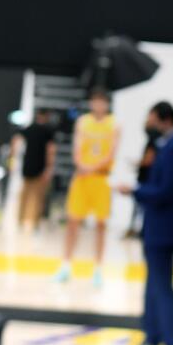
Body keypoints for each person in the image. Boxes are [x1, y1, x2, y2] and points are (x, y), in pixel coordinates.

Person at [117, 102, 173, 345]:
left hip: (164, 228)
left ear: (164, 120)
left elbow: (165, 191)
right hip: (155, 226)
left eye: (151, 120)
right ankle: (151, 344)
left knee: (162, 290)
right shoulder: (168, 145)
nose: (148, 125)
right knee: (152, 289)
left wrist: (135, 191)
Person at [55, 89, 119, 287]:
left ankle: (98, 268)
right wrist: (82, 165)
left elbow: (111, 153)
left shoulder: (114, 124)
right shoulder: (83, 122)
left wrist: (93, 167)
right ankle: (66, 264)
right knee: (73, 222)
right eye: (95, 101)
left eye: (102, 102)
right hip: (82, 178)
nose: (98, 106)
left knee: (101, 225)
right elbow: (77, 148)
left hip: (100, 178)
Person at [12, 108, 57, 234]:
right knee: (37, 197)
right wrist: (49, 168)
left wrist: (13, 157)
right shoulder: (48, 131)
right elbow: (51, 150)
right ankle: (34, 223)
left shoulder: (30, 128)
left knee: (25, 196)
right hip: (40, 168)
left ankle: (21, 221)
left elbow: (16, 139)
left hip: (28, 166)